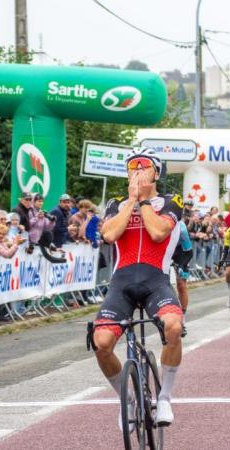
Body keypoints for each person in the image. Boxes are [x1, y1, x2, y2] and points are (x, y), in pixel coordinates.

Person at [92, 147, 183, 428]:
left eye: (144, 166)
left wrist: (144, 202)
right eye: (133, 167)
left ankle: (165, 397)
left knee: (174, 328)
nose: (138, 171)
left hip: (156, 280)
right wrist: (131, 201)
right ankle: (128, 399)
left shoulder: (171, 201)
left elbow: (157, 233)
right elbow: (108, 234)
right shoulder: (116, 204)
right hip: (122, 282)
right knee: (102, 344)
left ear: (156, 172)